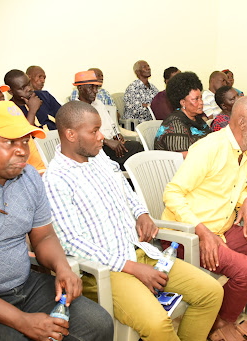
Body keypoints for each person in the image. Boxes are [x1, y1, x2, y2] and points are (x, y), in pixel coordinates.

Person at [43, 101, 223, 341]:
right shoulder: (56, 180)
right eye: (94, 131)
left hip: (137, 249)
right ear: (70, 134)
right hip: (105, 271)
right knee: (158, 325)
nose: (102, 136)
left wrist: (142, 214)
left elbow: (127, 192)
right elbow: (72, 243)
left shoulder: (99, 159)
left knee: (211, 292)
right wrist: (132, 268)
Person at [0, 100, 113, 341]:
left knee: (98, 324)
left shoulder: (29, 176)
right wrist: (22, 321)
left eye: (24, 141)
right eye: (9, 142)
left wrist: (62, 267)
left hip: (26, 285)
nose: (22, 150)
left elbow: (44, 237)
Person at [163, 96, 247, 340]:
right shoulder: (209, 148)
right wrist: (201, 231)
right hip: (187, 236)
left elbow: (237, 186)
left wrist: (246, 199)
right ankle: (222, 323)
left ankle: (220, 318)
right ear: (243, 122)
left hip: (222, 230)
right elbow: (172, 193)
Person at [73, 70, 143, 169]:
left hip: (109, 144)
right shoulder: (76, 109)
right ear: (80, 88)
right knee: (134, 150)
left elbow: (111, 123)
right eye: (91, 87)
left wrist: (117, 135)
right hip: (96, 148)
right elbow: (84, 136)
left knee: (136, 149)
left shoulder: (98, 103)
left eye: (96, 87)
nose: (95, 91)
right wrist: (106, 142)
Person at [154, 72, 211, 157]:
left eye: (201, 98)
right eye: (196, 99)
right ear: (183, 103)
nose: (201, 102)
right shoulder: (174, 125)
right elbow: (183, 157)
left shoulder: (197, 119)